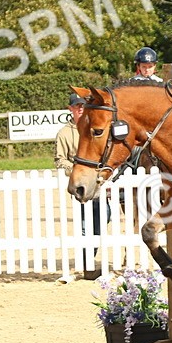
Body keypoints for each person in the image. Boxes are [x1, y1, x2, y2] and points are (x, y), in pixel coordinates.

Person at [55, 93, 108, 280]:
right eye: (77, 106)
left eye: (83, 105)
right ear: (70, 109)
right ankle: (87, 264)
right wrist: (77, 171)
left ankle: (90, 259)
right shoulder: (65, 133)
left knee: (103, 218)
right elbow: (60, 160)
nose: (80, 109)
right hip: (81, 184)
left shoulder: (93, 127)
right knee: (86, 224)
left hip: (100, 181)